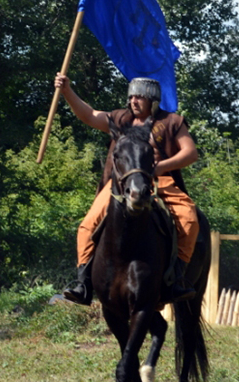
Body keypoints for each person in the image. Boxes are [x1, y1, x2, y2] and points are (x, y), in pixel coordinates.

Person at [55, 74, 200, 306]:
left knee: (189, 220)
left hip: (160, 181)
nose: (134, 101)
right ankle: (83, 283)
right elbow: (90, 115)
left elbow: (190, 153)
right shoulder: (120, 119)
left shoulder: (172, 121)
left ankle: (177, 279)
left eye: (140, 97)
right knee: (87, 226)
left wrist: (160, 166)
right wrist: (67, 92)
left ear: (153, 100)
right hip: (120, 185)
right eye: (131, 96)